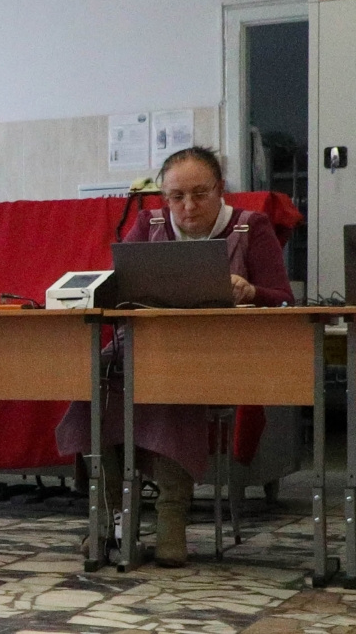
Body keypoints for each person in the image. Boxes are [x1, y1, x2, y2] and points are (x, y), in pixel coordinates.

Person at [56, 145, 293, 567]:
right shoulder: (147, 224)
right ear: (164, 197)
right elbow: (117, 291)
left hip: (217, 357)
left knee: (167, 382)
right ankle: (110, 519)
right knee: (91, 389)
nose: (188, 206)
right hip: (141, 348)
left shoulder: (249, 226)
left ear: (220, 188)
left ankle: (171, 519)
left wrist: (252, 291)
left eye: (200, 194)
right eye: (176, 197)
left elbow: (285, 300)